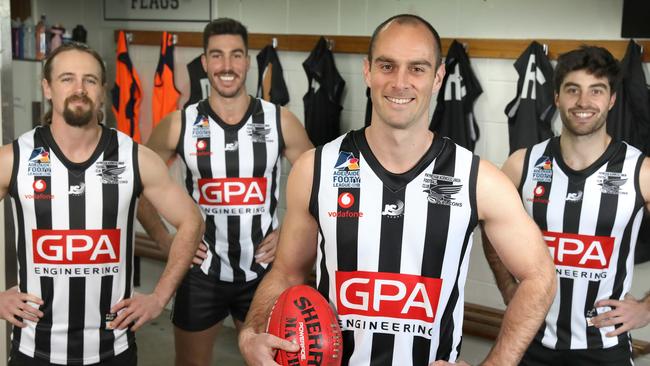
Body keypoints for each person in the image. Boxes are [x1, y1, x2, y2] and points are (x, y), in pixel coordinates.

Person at [238, 14, 556, 366]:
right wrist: (250, 332)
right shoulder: (316, 168)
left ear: (438, 78)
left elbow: (539, 276)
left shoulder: (477, 179)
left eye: (417, 68)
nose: (400, 82)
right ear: (367, 71)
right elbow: (286, 272)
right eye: (387, 65)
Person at [0, 43, 204, 365]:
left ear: (101, 91)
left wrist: (159, 297)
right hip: (33, 351)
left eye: (90, 80)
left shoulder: (134, 157)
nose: (79, 89)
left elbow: (192, 220)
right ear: (47, 88)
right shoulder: (14, 158)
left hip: (114, 351)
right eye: (67, 78)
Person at [136, 18, 312, 366]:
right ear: (205, 63)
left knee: (267, 362)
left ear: (248, 61)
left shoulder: (280, 120)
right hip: (200, 271)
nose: (227, 66)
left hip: (264, 272)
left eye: (236, 56)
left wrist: (290, 233)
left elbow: (320, 186)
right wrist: (164, 240)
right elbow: (139, 190)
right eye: (217, 56)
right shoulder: (179, 123)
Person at [483, 46, 650, 365]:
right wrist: (508, 287)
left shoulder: (641, 171)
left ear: (612, 99)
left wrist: (645, 309)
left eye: (596, 91)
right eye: (573, 90)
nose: (584, 102)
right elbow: (490, 230)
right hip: (530, 340)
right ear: (556, 96)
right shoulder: (523, 164)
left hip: (604, 346)